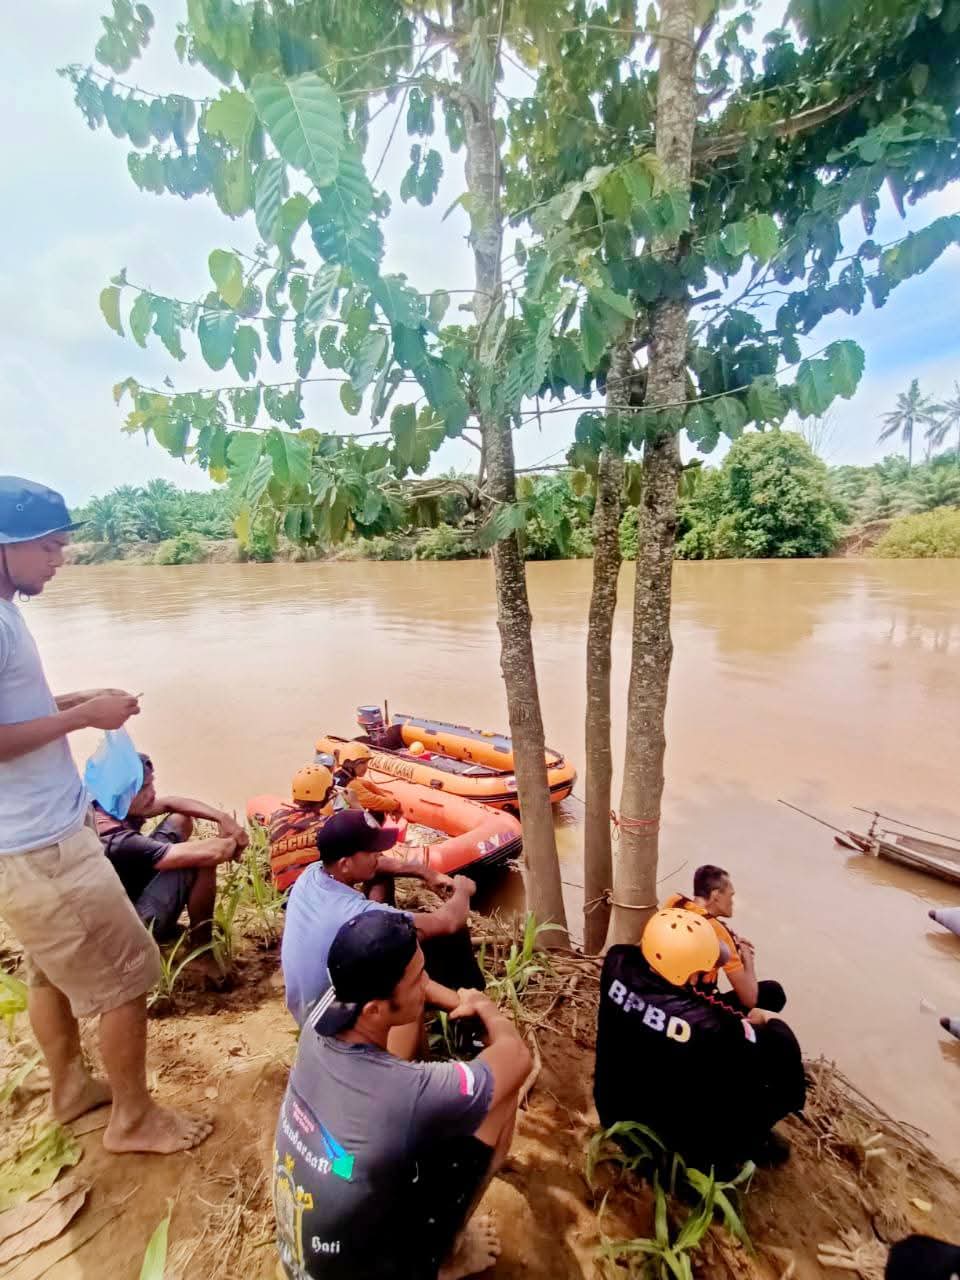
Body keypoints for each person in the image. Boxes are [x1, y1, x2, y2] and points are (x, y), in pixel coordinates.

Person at [0, 476, 210, 1154]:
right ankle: (133, 1119)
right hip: (39, 848)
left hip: (32, 840)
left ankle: (70, 1088)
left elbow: (14, 706)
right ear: (7, 545)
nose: (61, 560)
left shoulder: (7, 608)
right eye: (51, 547)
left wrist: (78, 698)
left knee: (48, 970)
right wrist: (87, 716)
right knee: (129, 974)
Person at [273, 910, 531, 1280]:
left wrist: (457, 999)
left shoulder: (325, 1013)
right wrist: (486, 1008)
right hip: (369, 1270)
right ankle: (447, 1256)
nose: (426, 982)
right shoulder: (405, 1092)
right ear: (375, 1009)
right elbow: (516, 1057)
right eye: (418, 979)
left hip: (307, 1256)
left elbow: (410, 992)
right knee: (499, 1104)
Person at [595, 907, 806, 1173]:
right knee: (785, 1080)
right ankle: (745, 1144)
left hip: (614, 1108)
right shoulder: (711, 1026)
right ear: (688, 975)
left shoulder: (617, 962)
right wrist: (770, 1020)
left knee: (770, 992)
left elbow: (640, 954)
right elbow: (783, 1048)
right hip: (668, 1145)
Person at [281, 809, 482, 1030]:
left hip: (310, 1002)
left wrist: (426, 873)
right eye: (372, 851)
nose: (379, 854)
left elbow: (382, 866)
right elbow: (448, 921)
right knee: (452, 934)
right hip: (332, 1022)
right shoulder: (355, 914)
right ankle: (469, 1014)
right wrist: (463, 890)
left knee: (381, 878)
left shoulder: (314, 874)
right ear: (345, 864)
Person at [94, 752, 247, 955]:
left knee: (180, 820)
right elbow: (215, 853)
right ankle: (202, 949)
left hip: (126, 891)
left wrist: (222, 818)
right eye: (144, 788)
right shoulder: (117, 839)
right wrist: (234, 840)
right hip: (133, 928)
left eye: (151, 783)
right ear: (122, 793)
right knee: (202, 859)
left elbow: (171, 803)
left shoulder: (107, 805)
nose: (153, 793)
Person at [664, 864, 785, 1014]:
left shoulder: (675, 903)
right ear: (715, 895)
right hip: (694, 1004)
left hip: (665, 990)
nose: (732, 901)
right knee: (773, 993)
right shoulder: (719, 932)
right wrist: (747, 958)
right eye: (730, 895)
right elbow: (750, 999)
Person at [268, 764, 353, 891]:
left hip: (281, 894)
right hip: (312, 894)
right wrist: (355, 804)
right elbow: (370, 837)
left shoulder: (277, 816)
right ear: (327, 793)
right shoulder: (329, 823)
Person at [332, 743, 403, 822]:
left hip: (335, 819)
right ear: (349, 764)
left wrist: (383, 795)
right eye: (362, 762)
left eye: (366, 762)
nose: (366, 766)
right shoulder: (352, 785)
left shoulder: (338, 774)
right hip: (343, 824)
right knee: (378, 813)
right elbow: (375, 801)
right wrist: (396, 806)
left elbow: (367, 784)